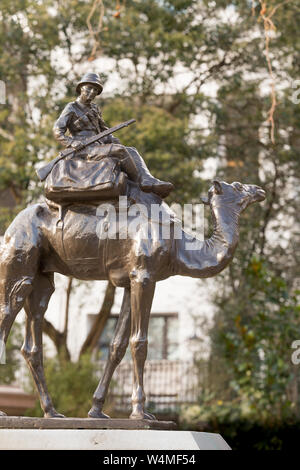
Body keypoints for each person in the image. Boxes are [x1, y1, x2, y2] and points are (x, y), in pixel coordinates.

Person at [52, 72, 174, 198]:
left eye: (96, 90)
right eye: (89, 88)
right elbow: (57, 130)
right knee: (120, 151)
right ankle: (140, 182)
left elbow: (103, 130)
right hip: (83, 148)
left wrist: (113, 139)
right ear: (80, 88)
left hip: (97, 145)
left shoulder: (94, 109)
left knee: (131, 150)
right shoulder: (71, 107)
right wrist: (72, 142)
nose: (92, 92)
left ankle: (148, 179)